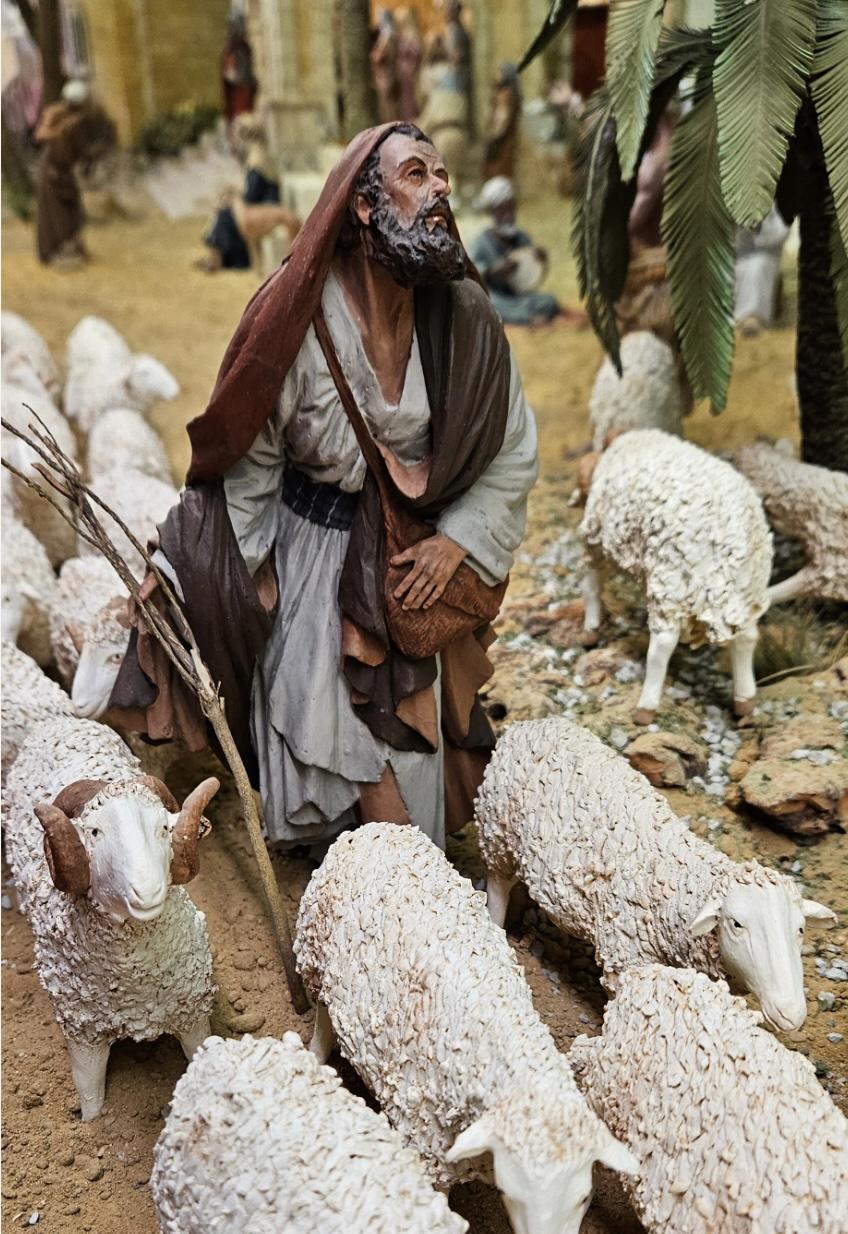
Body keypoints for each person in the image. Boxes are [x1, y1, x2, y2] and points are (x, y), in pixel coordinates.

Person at [113, 124, 538, 854]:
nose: (439, 189)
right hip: (312, 561)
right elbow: (247, 473)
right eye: (415, 174)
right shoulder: (296, 322)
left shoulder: (463, 319)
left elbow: (511, 446)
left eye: (442, 174)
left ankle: (406, 882)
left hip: (404, 568)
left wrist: (457, 541)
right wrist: (195, 573)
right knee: (336, 746)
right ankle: (365, 874)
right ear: (366, 206)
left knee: (410, 760)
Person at [33, 79, 113, 267]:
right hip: (56, 173)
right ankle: (62, 250)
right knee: (64, 213)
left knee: (54, 211)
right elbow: (83, 151)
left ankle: (57, 249)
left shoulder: (55, 115)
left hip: (50, 170)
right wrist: (101, 149)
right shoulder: (74, 123)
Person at [470, 176, 561, 325]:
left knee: (549, 301)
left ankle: (523, 314)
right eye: (502, 210)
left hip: (518, 296)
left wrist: (540, 260)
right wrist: (494, 271)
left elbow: (532, 273)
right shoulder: (481, 241)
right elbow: (470, 275)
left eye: (511, 208)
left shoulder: (521, 237)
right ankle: (526, 318)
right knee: (487, 305)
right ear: (491, 212)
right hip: (495, 295)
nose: (508, 215)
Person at [417, 33, 468, 197]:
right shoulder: (457, 94)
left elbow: (427, 121)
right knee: (455, 170)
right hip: (461, 134)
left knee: (444, 170)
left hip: (443, 135)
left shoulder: (435, 95)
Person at [734, 206, 790, 337]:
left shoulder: (770, 204)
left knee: (756, 267)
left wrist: (757, 232)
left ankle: (752, 315)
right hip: (736, 253)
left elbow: (781, 231)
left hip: (763, 253)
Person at [482, 63, 521, 182]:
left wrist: (495, 138)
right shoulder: (504, 94)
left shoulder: (506, 94)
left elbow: (502, 118)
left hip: (502, 141)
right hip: (503, 140)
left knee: (498, 174)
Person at [221, 12, 257, 129]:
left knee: (242, 119)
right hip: (233, 94)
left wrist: (232, 75)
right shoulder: (231, 48)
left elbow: (242, 72)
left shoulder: (242, 47)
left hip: (242, 91)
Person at [371, 10, 400, 124]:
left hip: (384, 76)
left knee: (386, 106)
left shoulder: (386, 37)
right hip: (388, 74)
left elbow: (378, 57)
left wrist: (372, 55)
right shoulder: (391, 35)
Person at [395, 7, 423, 122]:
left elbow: (417, 53)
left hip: (409, 73)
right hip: (404, 73)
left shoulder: (410, 35)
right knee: (405, 100)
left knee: (409, 100)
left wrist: (410, 67)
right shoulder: (403, 35)